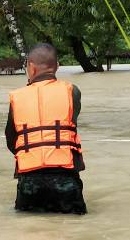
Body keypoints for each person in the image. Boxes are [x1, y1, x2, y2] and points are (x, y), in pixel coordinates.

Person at [5, 43, 86, 214]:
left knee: (30, 231)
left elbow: (11, 139)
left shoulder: (17, 97)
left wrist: (31, 153)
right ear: (57, 66)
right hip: (65, 178)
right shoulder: (73, 91)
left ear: (32, 68)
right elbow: (70, 124)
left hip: (30, 181)